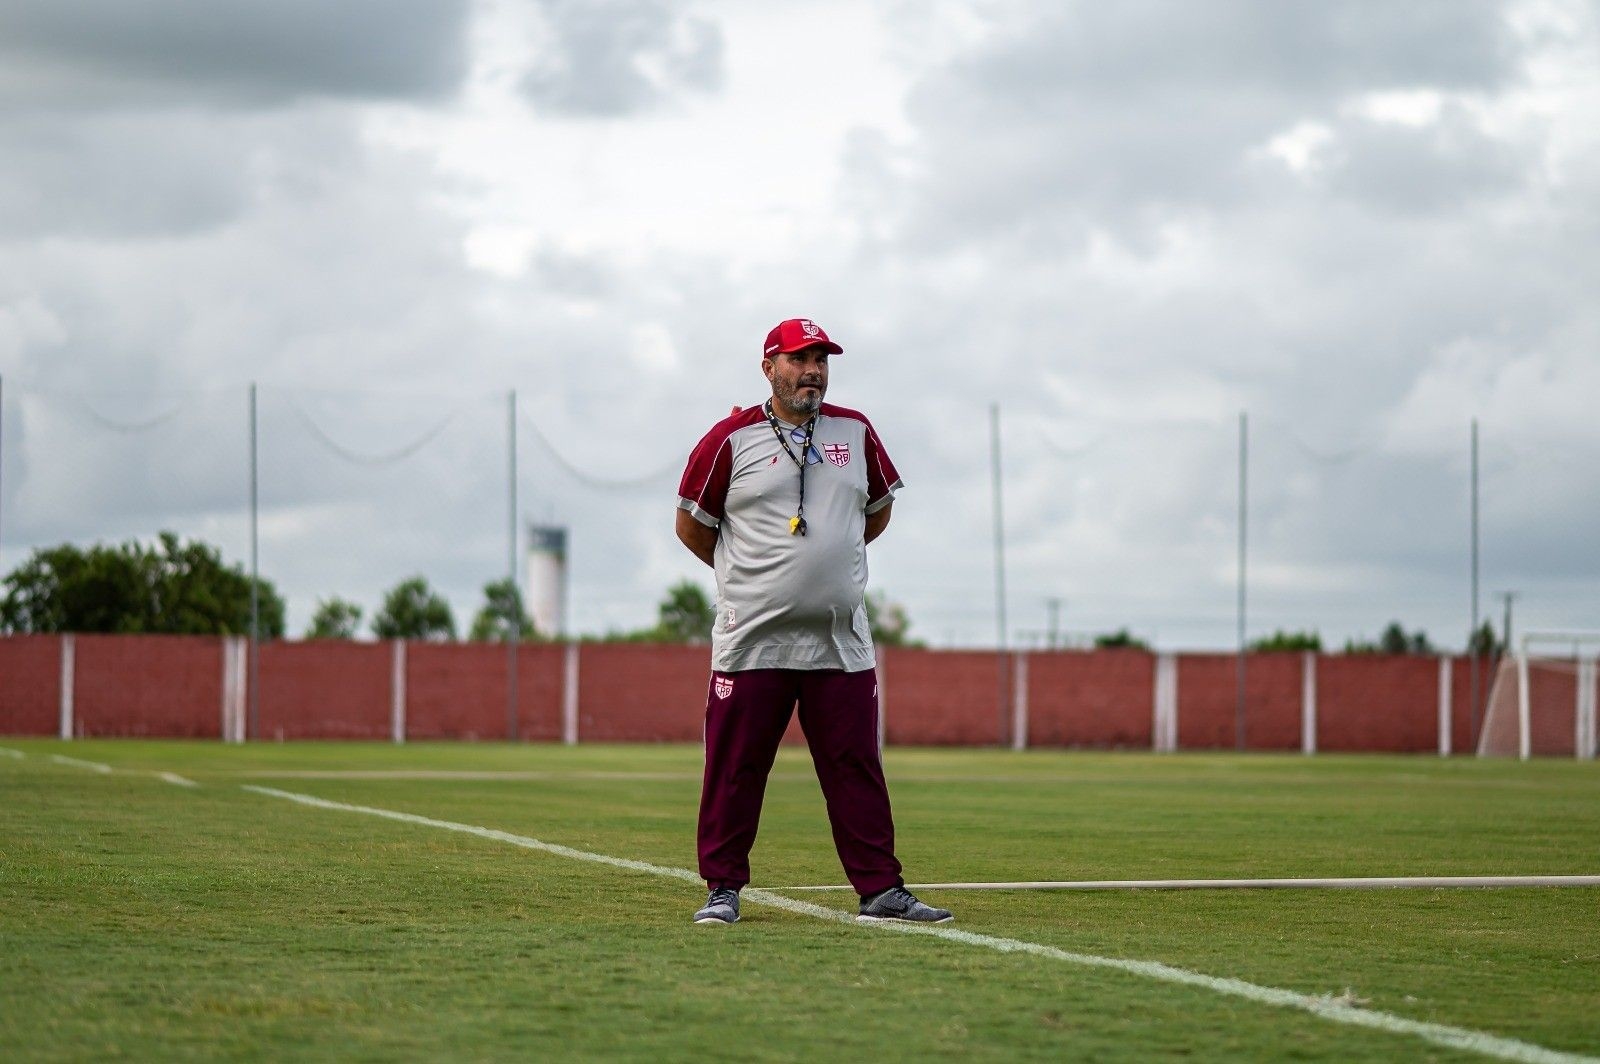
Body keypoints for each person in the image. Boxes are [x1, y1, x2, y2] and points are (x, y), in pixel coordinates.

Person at [674, 317, 952, 926]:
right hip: (752, 641)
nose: (813, 371)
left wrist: (830, 565)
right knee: (735, 769)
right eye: (799, 359)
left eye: (821, 360)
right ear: (769, 367)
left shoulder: (856, 432)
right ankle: (722, 888)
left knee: (856, 768)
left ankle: (880, 891)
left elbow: (875, 512)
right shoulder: (728, 439)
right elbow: (691, 525)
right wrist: (750, 579)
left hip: (839, 641)